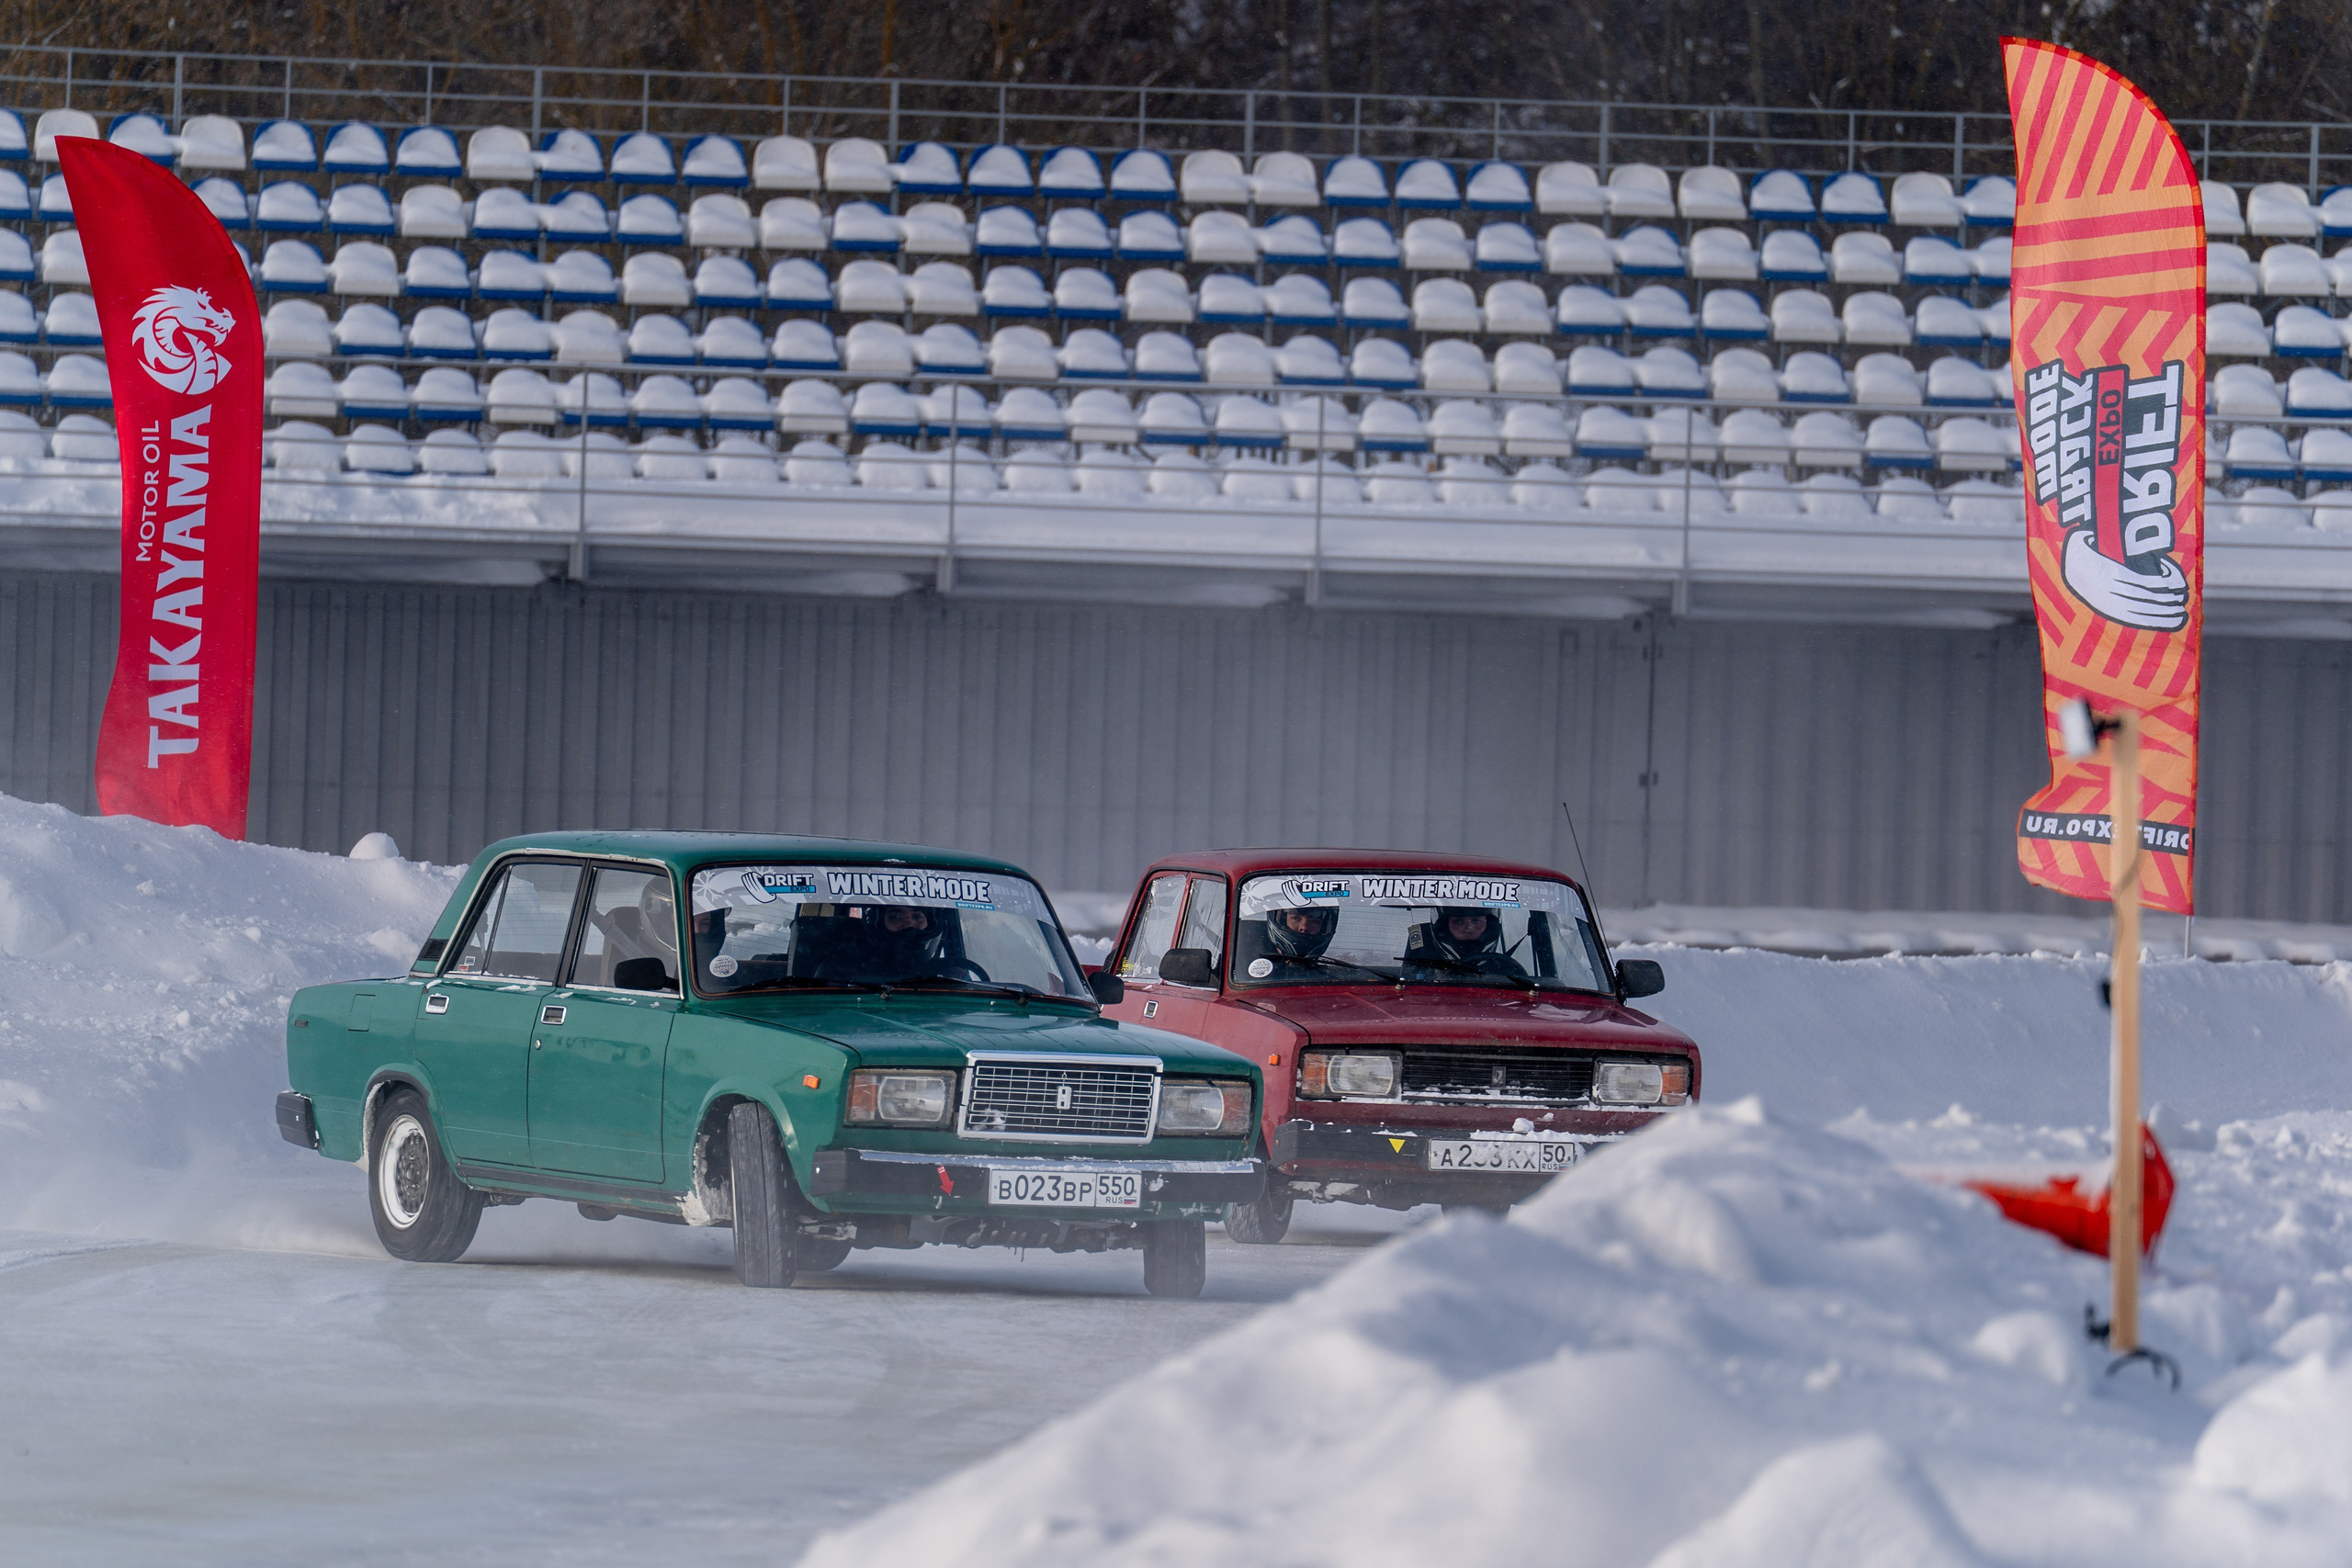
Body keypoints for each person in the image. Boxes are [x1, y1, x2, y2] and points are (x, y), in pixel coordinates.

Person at [1405, 906, 1528, 981]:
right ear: (1445, 926)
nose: (1469, 928)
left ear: (1489, 924)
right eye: (1458, 921)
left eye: (1475, 921)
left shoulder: (1506, 969)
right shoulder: (1422, 961)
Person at [1256, 904, 1339, 978]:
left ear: (1323, 927)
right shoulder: (1250, 965)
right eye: (1296, 918)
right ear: (1283, 920)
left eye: (1314, 921)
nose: (1304, 927)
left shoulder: (1335, 978)